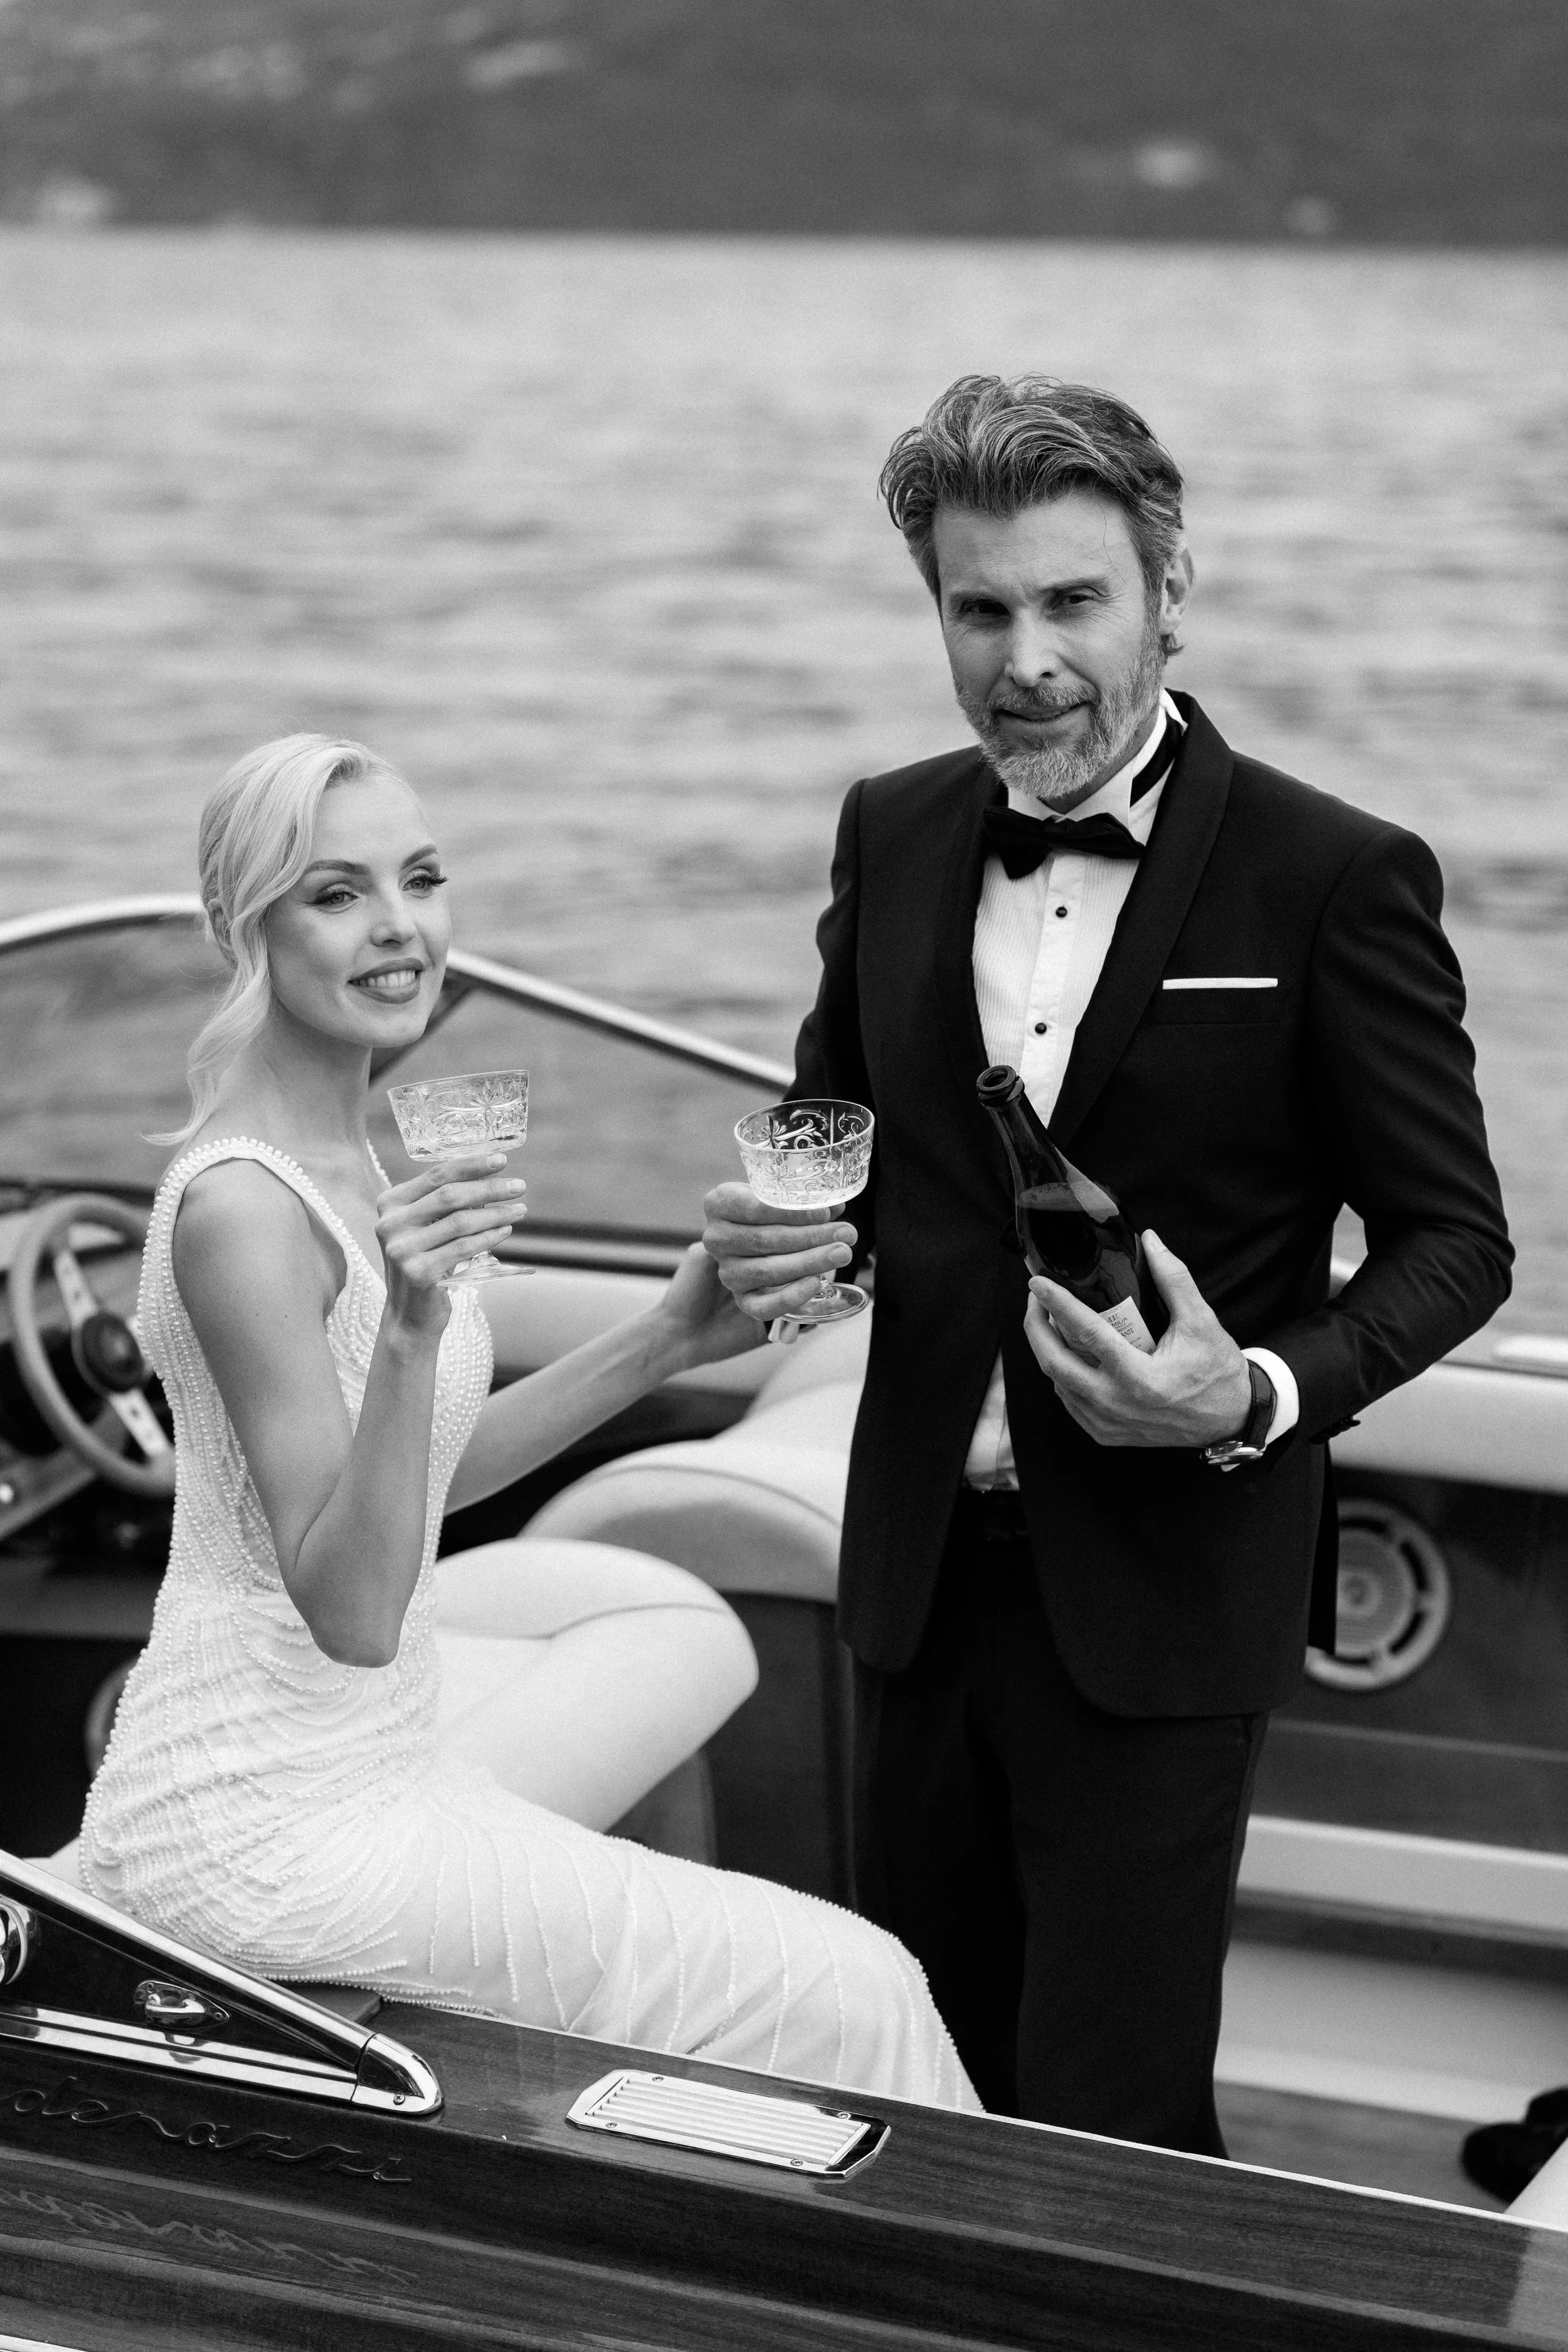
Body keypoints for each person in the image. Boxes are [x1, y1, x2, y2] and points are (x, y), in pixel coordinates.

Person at [702, 375, 1512, 2154]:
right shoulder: (892, 828)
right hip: (915, 1574)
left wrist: (1253, 1388)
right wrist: (794, 1237)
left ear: (1167, 588)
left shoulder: (1333, 875)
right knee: (922, 2072)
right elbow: (835, 1133)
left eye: (1071, 601)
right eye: (977, 607)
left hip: (1162, 1585)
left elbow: (1456, 1240)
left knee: (1112, 2113)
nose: (1024, 658)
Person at [80, 732, 977, 2114]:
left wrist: (670, 1337)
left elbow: (416, 1480)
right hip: (262, 1825)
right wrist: (419, 1322)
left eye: (421, 879)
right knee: (856, 1982)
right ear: (237, 928)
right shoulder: (243, 1212)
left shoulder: (355, 1154)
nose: (399, 928)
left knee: (818, 1982)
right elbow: (353, 1608)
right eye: (336, 894)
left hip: (371, 1767)